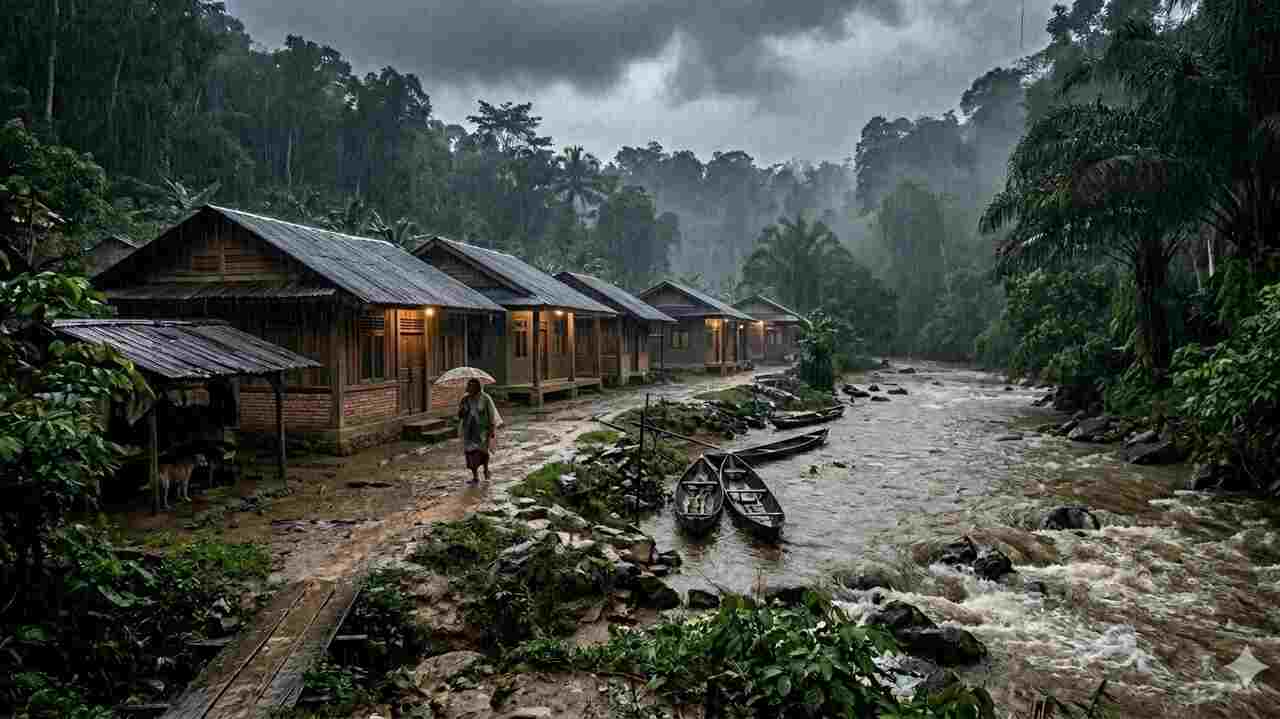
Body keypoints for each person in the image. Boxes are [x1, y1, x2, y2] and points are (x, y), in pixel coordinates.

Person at [457, 378, 501, 483]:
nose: (470, 387)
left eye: (473, 385)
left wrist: (491, 429)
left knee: (482, 452)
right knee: (470, 453)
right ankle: (475, 476)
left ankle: (486, 469)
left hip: (482, 430)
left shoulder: (485, 398)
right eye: (469, 385)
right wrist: (462, 410)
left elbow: (491, 414)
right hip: (469, 430)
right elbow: (460, 416)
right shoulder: (465, 399)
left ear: (477, 387)